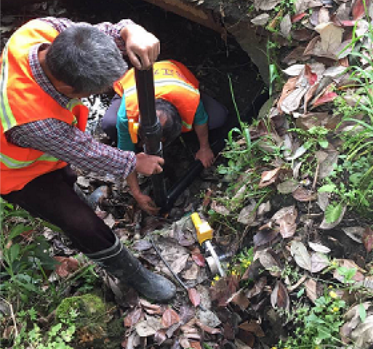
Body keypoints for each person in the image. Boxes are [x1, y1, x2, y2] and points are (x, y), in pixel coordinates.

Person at [0, 17, 176, 303]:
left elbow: (91, 35)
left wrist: (129, 30)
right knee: (80, 222)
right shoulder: (34, 120)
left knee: (67, 178)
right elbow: (85, 153)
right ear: (69, 90)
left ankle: (80, 195)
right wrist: (134, 162)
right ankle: (134, 276)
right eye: (94, 93)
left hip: (44, 154)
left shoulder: (37, 32)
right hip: (16, 172)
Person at [101, 60, 228, 211]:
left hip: (173, 74)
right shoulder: (127, 114)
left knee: (218, 117)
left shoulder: (189, 99)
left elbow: (201, 120)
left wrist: (204, 148)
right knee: (110, 123)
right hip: (133, 83)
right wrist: (137, 193)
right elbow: (125, 156)